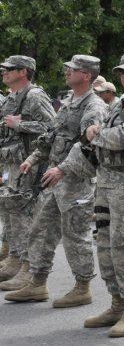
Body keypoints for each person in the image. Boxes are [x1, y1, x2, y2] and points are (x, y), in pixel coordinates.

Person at [58, 52, 124, 338]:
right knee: (105, 246)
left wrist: (97, 133)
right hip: (107, 181)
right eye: (122, 71)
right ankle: (117, 304)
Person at [6, 55, 105, 307]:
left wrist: (61, 168)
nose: (66, 72)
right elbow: (53, 135)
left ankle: (82, 286)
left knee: (75, 235)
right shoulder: (71, 102)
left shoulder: (94, 106)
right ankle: (37, 283)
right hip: (53, 177)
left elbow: (87, 145)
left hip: (75, 179)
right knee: (41, 229)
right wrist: (34, 157)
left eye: (72, 69)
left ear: (86, 75)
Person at [0, 55, 55, 291]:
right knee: (11, 213)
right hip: (12, 164)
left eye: (9, 69)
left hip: (29, 165)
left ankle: (27, 266)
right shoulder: (12, 97)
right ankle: (14, 258)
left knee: (25, 216)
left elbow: (53, 127)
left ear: (23, 72)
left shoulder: (34, 96)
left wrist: (21, 124)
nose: (4, 72)